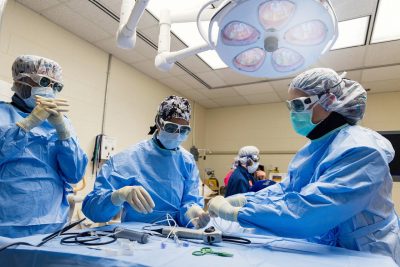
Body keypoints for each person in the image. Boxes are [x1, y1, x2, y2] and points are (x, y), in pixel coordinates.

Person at [208, 68, 400, 264]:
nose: (293, 113)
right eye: (290, 106)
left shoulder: (361, 150)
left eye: (299, 105)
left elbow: (311, 211)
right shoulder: (313, 149)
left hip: (367, 250)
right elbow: (286, 190)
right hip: (329, 246)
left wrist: (236, 213)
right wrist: (245, 200)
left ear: (329, 101)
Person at [82, 96, 209, 228]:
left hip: (174, 239)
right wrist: (118, 196)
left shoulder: (187, 162)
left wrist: (192, 212)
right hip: (135, 239)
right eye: (171, 128)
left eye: (183, 130)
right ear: (159, 123)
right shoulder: (127, 160)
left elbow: (189, 204)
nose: (177, 135)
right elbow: (93, 210)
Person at [0, 55, 88, 238]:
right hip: (6, 225)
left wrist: (63, 131)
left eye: (56, 86)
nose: (50, 89)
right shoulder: (3, 114)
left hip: (53, 224)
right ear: (21, 80)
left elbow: (75, 175)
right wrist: (28, 123)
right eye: (44, 81)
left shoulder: (63, 123)